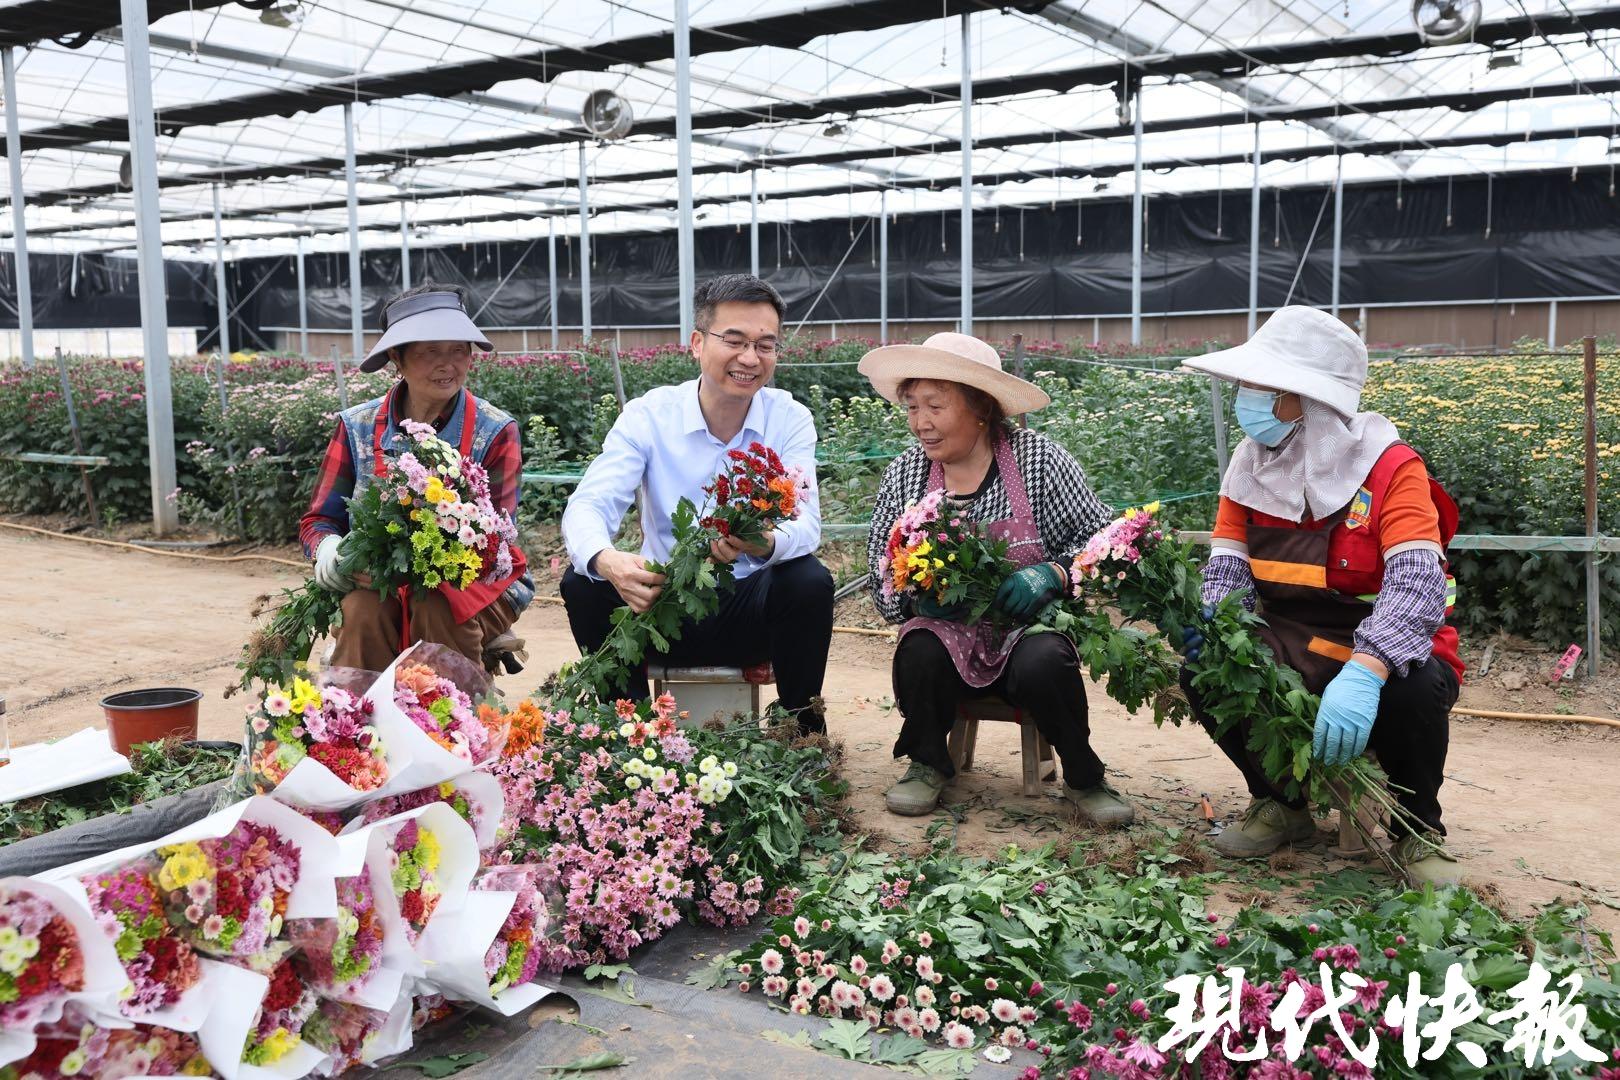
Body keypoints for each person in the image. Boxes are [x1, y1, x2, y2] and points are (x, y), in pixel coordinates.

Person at [1182, 305, 1465, 885]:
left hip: (1392, 639)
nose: (1245, 399)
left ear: (1304, 400)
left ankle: (1416, 830)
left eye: (1258, 388)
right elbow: (1228, 566)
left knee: (1413, 693)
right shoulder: (1249, 467)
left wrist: (1367, 668)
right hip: (1290, 635)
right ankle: (1280, 805)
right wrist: (1214, 619)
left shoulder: (1391, 469)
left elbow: (1417, 582)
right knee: (1209, 670)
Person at [858, 333, 1125, 822]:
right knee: (919, 648)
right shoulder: (905, 475)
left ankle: (1084, 777)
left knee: (1046, 659)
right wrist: (916, 602)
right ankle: (927, 764)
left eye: (935, 406)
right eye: (913, 407)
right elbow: (880, 569)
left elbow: (1106, 541)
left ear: (981, 407)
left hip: (1025, 628)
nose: (921, 423)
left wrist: (1055, 573)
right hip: (946, 633)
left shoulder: (1039, 462)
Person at [559, 274, 833, 733]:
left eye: (766, 344)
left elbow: (806, 524)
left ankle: (802, 734)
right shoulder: (648, 416)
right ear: (696, 343)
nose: (750, 358)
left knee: (808, 579)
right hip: (661, 611)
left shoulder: (789, 418)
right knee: (585, 580)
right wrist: (608, 561)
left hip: (750, 617)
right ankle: (628, 738)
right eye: (734, 340)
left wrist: (760, 541)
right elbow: (589, 504)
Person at [300, 282, 532, 672]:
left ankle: (454, 727)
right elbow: (320, 518)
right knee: (361, 610)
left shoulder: (493, 431)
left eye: (459, 350)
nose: (449, 364)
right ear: (397, 358)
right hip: (375, 581)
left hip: (478, 585)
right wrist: (328, 549)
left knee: (437, 605)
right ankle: (358, 724)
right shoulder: (356, 427)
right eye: (430, 352)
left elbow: (497, 539)